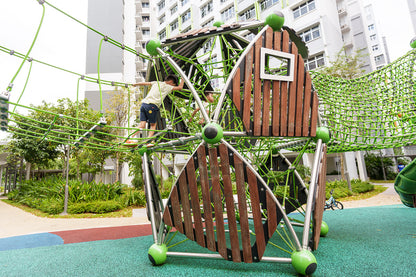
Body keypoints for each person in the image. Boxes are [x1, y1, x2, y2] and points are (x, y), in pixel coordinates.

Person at [126, 74, 184, 145]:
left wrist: (136, 84)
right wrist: (183, 79)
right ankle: (148, 141)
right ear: (171, 82)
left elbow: (145, 83)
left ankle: (129, 138)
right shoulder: (168, 87)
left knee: (142, 125)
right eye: (173, 84)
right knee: (153, 125)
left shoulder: (156, 82)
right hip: (152, 106)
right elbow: (180, 87)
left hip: (144, 105)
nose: (173, 86)